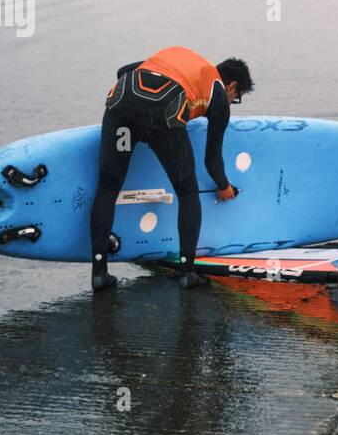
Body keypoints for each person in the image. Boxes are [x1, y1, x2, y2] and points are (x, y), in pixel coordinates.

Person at [89, 47, 253, 291]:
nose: (232, 101)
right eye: (236, 97)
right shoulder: (217, 92)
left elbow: (122, 71)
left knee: (108, 185)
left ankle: (99, 273)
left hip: (121, 111)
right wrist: (223, 185)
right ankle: (188, 273)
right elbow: (212, 159)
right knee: (187, 191)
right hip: (162, 120)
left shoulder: (178, 58)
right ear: (231, 86)